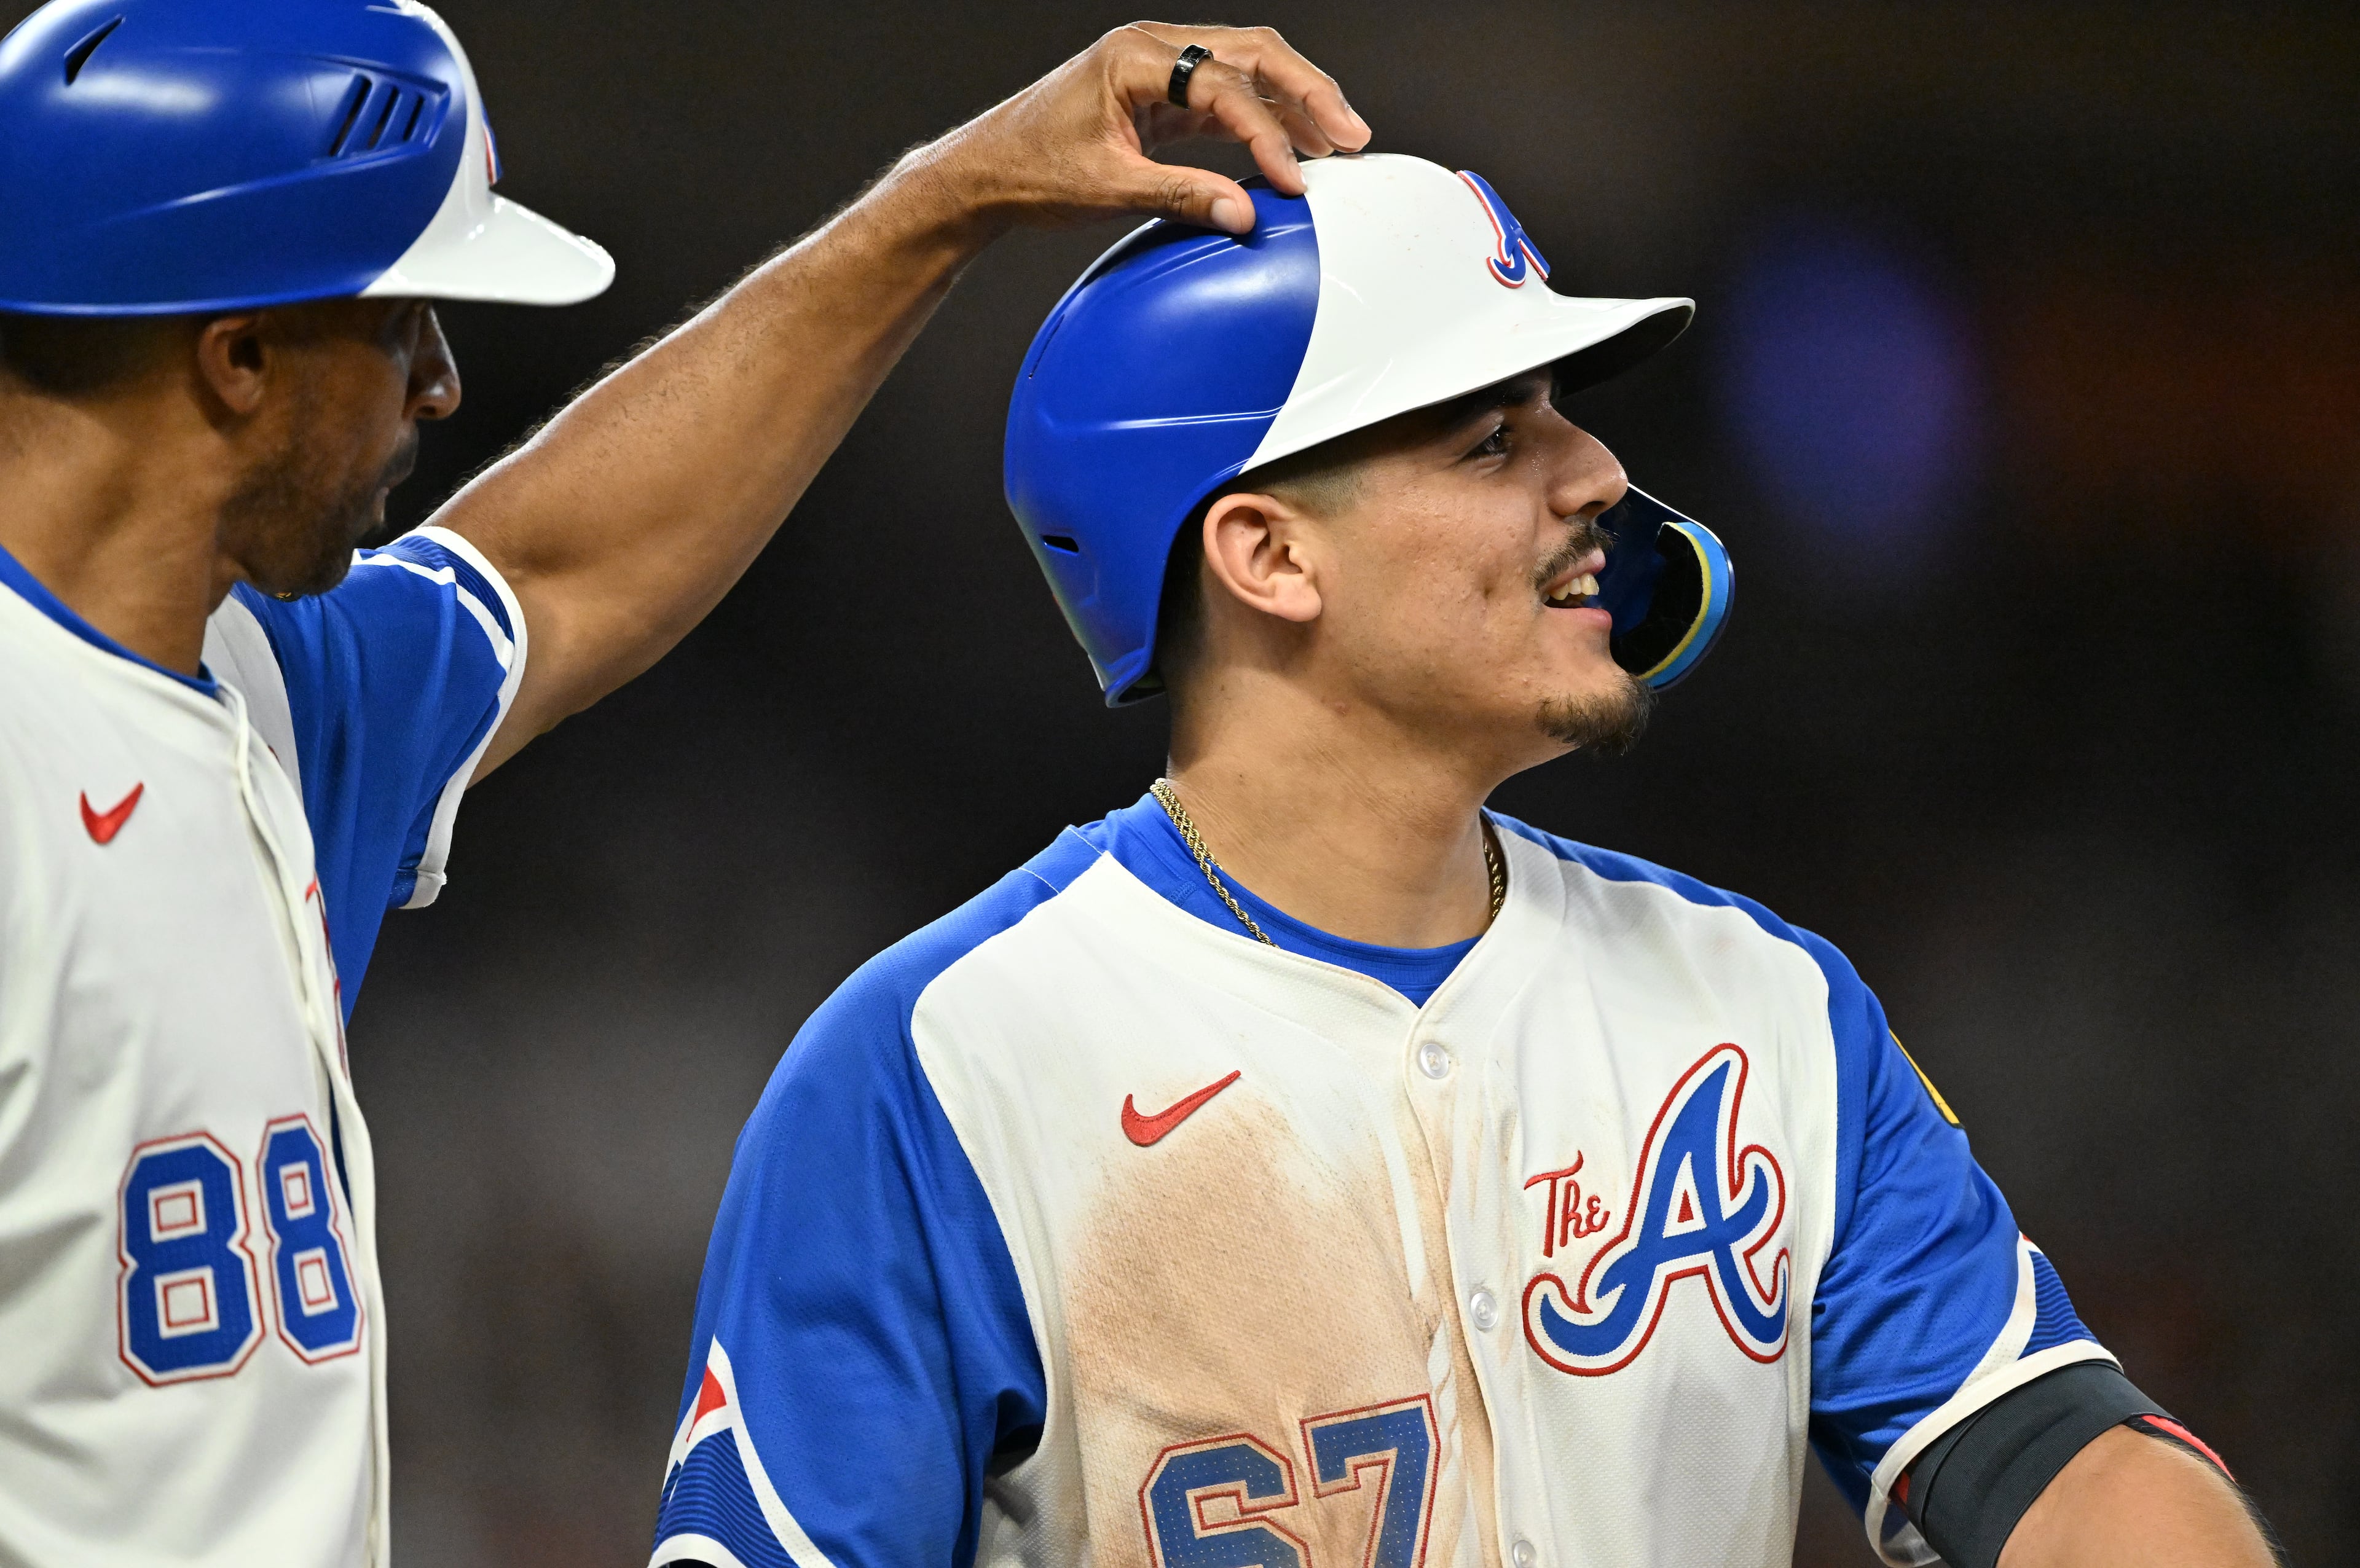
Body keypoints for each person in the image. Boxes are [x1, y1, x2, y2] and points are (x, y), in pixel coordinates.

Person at [655, 154, 2281, 1568]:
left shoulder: (1760, 1006)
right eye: (1491, 440)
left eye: (1561, 418)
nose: (1596, 479)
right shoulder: (943, 1066)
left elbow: (2062, 1466)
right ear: (1269, 553)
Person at [0, 0, 1369, 1559]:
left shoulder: (247, 684)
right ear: (239, 356)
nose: (441, 384)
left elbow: (559, 562)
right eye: (401, 325)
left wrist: (950, 197)